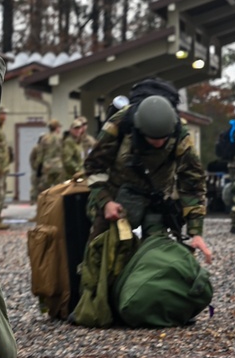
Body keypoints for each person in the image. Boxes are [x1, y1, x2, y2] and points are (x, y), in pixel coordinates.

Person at [83, 93, 213, 264]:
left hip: (157, 198)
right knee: (99, 256)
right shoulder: (119, 124)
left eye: (163, 139)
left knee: (159, 257)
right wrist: (105, 202)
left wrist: (195, 232)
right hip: (116, 197)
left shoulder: (179, 134)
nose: (159, 144)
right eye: (153, 139)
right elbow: (93, 167)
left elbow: (193, 181)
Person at [28, 120, 64, 199]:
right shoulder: (61, 138)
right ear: (57, 128)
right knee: (59, 189)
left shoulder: (44, 139)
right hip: (59, 168)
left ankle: (45, 206)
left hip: (47, 168)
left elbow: (40, 156)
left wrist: (38, 170)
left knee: (45, 190)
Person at [61, 116, 91, 180]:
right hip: (71, 177)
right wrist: (78, 170)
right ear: (71, 129)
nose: (78, 130)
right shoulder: (69, 142)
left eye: (79, 128)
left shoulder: (79, 142)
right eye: (75, 128)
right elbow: (68, 161)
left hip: (79, 176)